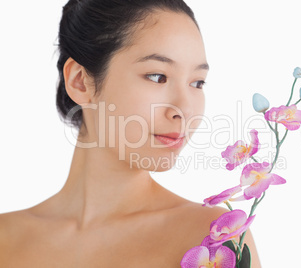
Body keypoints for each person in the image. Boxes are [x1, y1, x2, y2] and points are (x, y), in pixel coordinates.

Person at [0, 0, 261, 266]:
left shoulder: (214, 239)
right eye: (158, 76)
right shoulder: (5, 239)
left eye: (197, 82)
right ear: (80, 81)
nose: (184, 109)